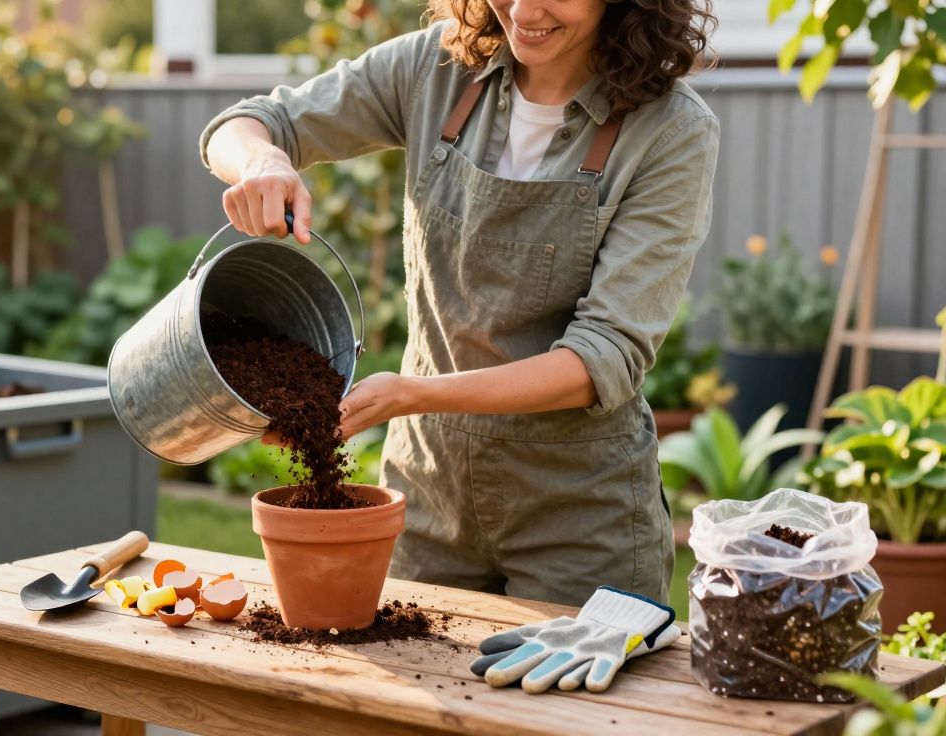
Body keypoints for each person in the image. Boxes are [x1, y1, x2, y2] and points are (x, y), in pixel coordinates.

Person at [200, 0, 719, 607]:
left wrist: (412, 395)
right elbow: (246, 124)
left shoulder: (671, 129)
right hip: (426, 498)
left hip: (579, 517)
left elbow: (603, 357)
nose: (522, 10)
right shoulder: (438, 67)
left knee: (569, 676)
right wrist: (263, 160)